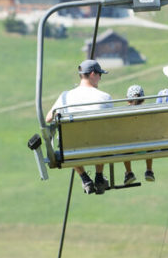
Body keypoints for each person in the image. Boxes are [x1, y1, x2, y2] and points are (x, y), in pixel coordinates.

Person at [46, 59, 113, 195]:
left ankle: (84, 177)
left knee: (68, 141)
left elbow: (48, 118)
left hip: (73, 148)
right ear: (93, 74)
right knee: (101, 135)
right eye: (100, 75)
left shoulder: (65, 97)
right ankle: (99, 175)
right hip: (98, 145)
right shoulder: (104, 97)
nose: (100, 78)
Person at [122, 84, 154, 184]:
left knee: (124, 140)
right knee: (149, 138)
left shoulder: (122, 112)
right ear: (143, 99)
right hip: (147, 147)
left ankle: (129, 172)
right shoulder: (148, 111)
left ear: (127, 100)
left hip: (128, 148)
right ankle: (149, 170)